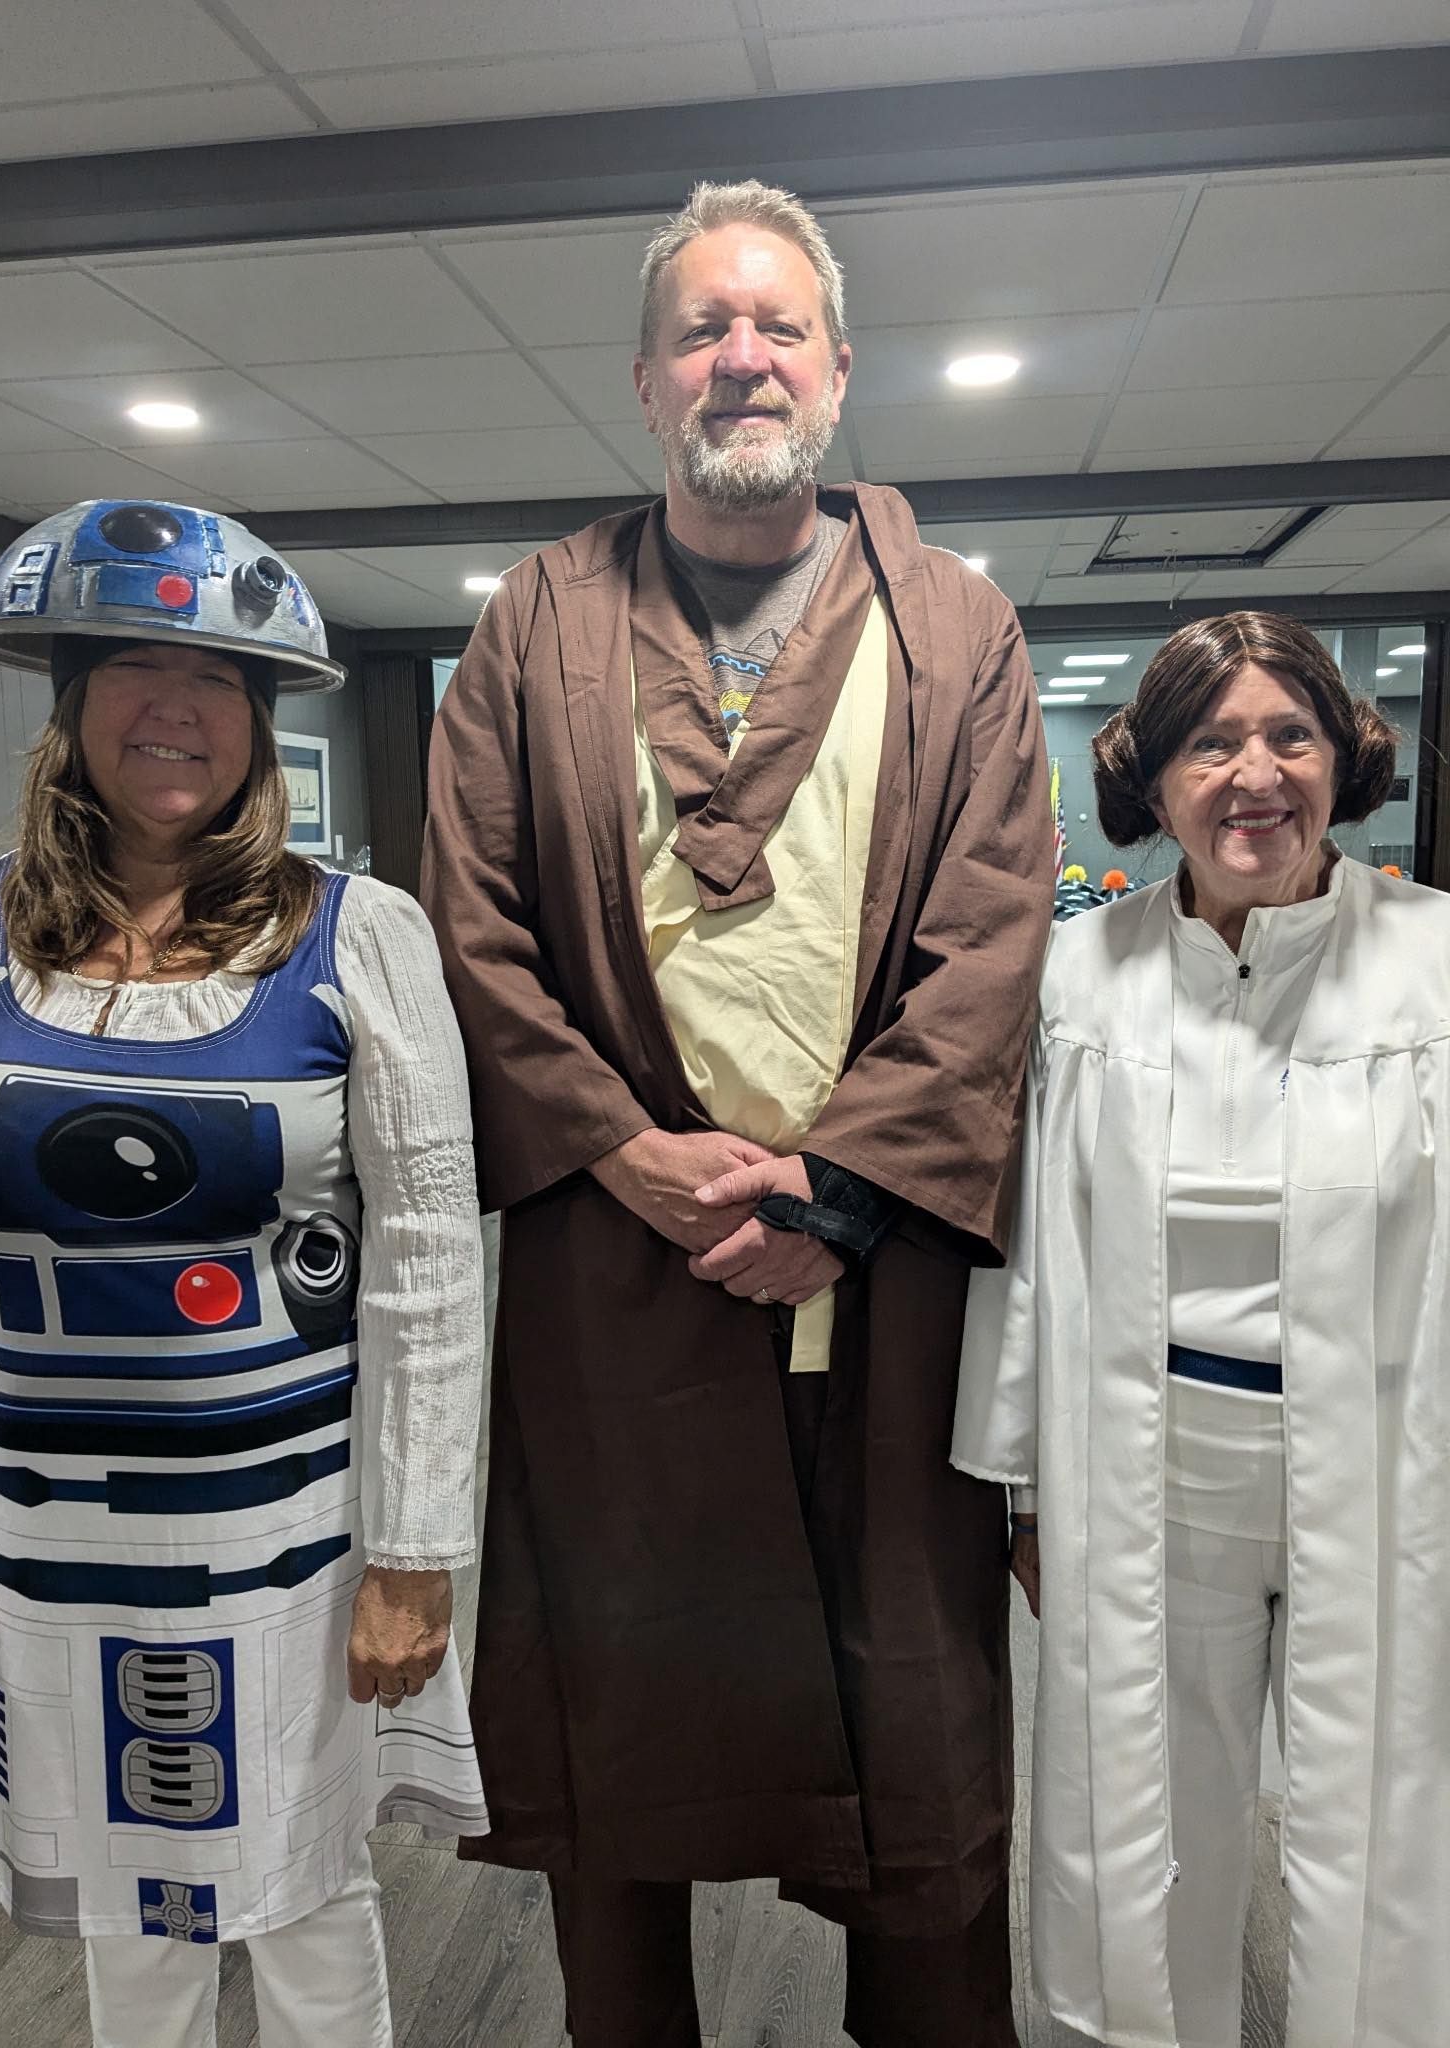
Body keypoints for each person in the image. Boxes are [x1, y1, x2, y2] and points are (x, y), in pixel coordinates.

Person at [421, 180, 1053, 2047]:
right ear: (643, 377)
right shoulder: (533, 621)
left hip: (883, 1287)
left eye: (777, 326)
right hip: (620, 1271)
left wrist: (840, 1191)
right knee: (618, 1736)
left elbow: (993, 934)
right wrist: (626, 1152)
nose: (743, 356)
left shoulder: (959, 626)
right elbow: (475, 923)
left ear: (841, 368)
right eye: (705, 327)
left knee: (913, 1723)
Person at [0, 500, 487, 2048]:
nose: (178, 708)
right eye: (135, 667)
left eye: (219, 679)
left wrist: (418, 1551)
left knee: (305, 1901)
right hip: (29, 1523)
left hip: (287, 1529)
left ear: (260, 719)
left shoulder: (356, 936)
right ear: (69, 697)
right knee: (120, 1905)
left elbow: (430, 1257)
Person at [954, 611, 1450, 2047]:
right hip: (1153, 1464)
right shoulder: (1079, 975)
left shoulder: (1430, 967)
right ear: (1153, 779)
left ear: (1342, 759)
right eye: (1211, 743)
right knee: (1148, 1804)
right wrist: (1027, 1488)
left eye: (1289, 735)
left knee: (1389, 1798)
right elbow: (1031, 1247)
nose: (1255, 776)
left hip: (1389, 1461)